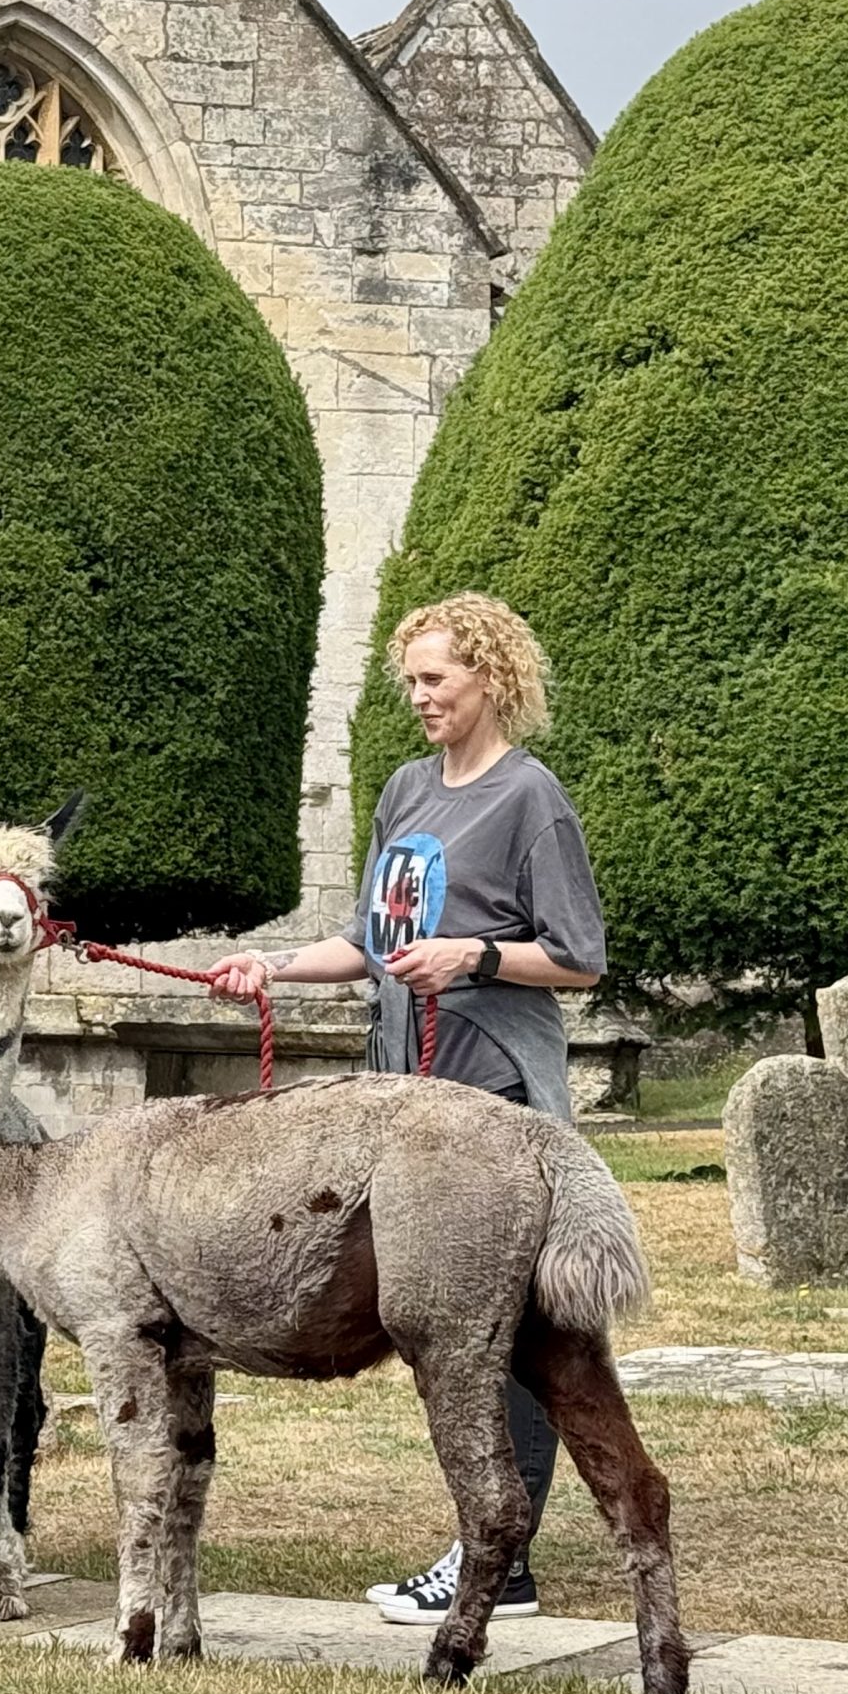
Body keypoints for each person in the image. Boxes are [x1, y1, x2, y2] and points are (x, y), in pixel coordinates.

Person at [205, 591, 606, 1626]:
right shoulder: (403, 793)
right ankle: (497, 1542)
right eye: (412, 680)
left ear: (491, 678)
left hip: (493, 1101)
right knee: (462, 1334)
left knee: (497, 1335)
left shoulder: (531, 801)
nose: (420, 696)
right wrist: (275, 968)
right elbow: (366, 945)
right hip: (404, 1106)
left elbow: (578, 960)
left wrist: (473, 955)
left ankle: (499, 1562)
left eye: (436, 678)